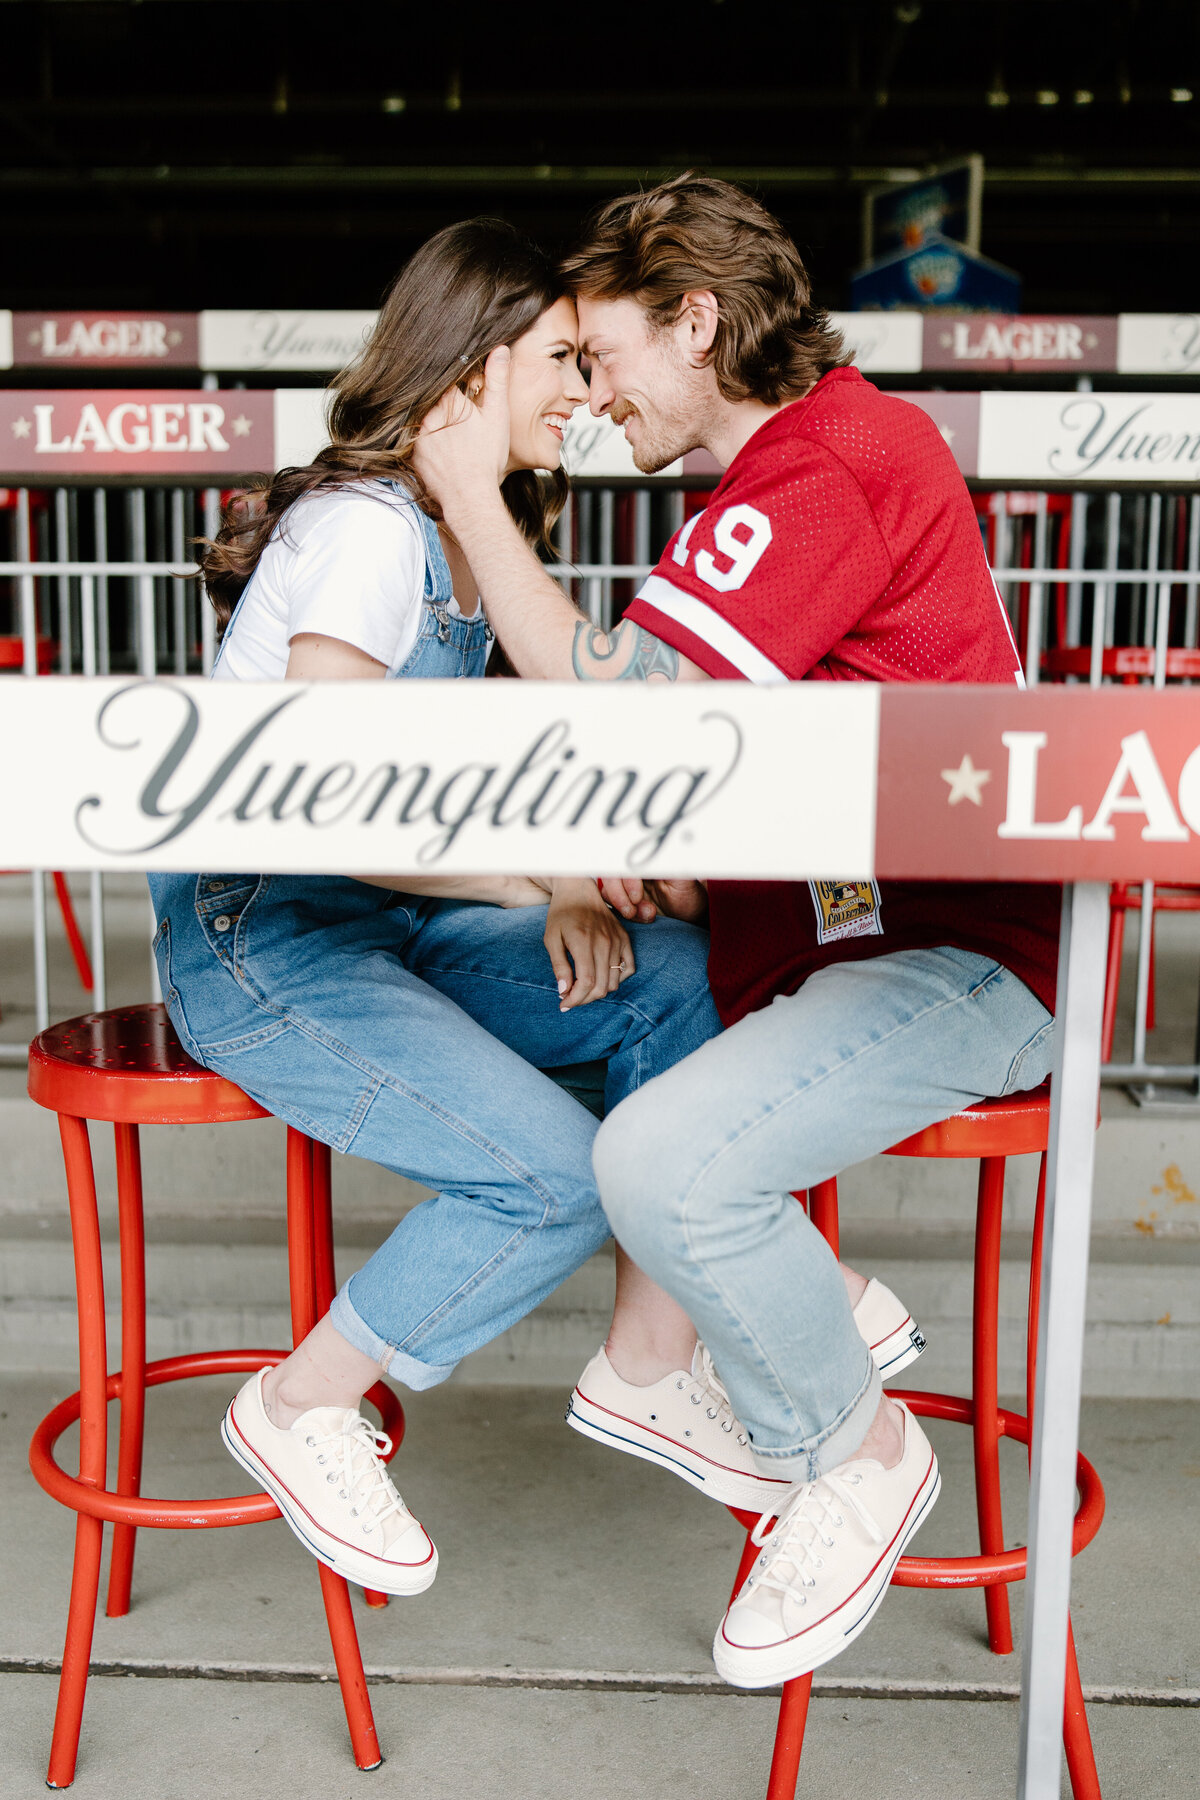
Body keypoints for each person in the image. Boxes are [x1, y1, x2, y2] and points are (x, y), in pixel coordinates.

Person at [410, 174, 1060, 1687]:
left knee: (653, 1160)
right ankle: (705, 1349)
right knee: (631, 1038)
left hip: (956, 956)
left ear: (695, 319)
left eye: (601, 349)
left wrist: (466, 501)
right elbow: (766, 745)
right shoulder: (802, 466)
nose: (590, 394)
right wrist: (675, 858)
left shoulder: (825, 457)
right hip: (854, 948)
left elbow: (625, 699)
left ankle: (853, 1455)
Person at [146, 218, 728, 1600]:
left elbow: (485, 780)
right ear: (471, 366)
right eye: (562, 361)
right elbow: (329, 807)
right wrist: (542, 882)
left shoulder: (471, 534)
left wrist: (580, 878)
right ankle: (301, 1405)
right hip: (264, 929)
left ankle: (652, 1358)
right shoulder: (363, 531)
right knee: (547, 1172)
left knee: (675, 972)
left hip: (384, 922)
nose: (588, 393)